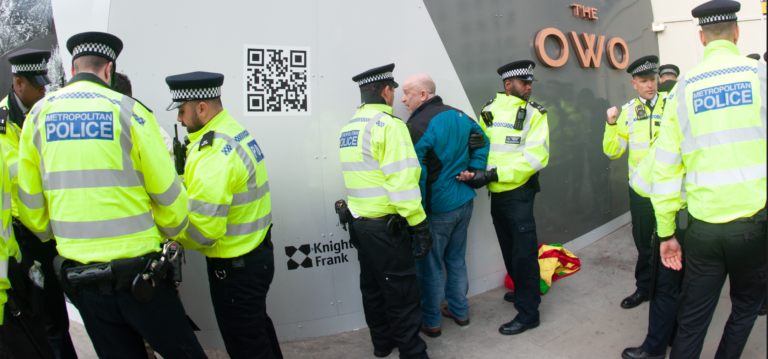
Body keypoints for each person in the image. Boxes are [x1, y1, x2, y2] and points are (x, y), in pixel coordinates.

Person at [16, 31, 205, 358]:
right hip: (138, 276)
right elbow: (171, 199)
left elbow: (30, 205)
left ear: (73, 70)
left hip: (80, 276)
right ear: (109, 70)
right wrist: (168, 231)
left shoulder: (37, 117)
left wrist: (54, 233)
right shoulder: (129, 112)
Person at [651, 1, 766, 357]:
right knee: (747, 305)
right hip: (753, 224)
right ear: (737, 32)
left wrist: (667, 231)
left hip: (702, 228)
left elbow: (665, 169)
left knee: (693, 316)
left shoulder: (681, 91)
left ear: (701, 37)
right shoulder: (760, 76)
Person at [166, 71, 282, 359]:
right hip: (254, 256)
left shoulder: (213, 152)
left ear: (201, 108)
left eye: (182, 111)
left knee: (247, 347)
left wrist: (169, 228)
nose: (180, 119)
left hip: (235, 270)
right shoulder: (231, 130)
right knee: (257, 332)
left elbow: (204, 232)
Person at [338, 63, 432, 359]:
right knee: (402, 293)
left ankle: (382, 344)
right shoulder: (390, 127)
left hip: (360, 225)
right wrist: (420, 226)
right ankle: (413, 353)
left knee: (374, 287)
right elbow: (402, 184)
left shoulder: (349, 127)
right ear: (387, 91)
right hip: (386, 229)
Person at [462, 60, 549, 335]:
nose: (530, 87)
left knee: (523, 254)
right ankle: (525, 290)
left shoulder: (535, 114)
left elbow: (536, 158)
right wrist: (475, 171)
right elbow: (482, 150)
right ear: (509, 85)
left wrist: (493, 175)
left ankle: (528, 313)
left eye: (530, 82)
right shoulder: (488, 110)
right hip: (496, 194)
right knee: (510, 248)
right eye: (525, 83)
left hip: (519, 193)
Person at [400, 74, 489, 338]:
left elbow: (416, 174)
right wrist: (474, 171)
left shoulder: (417, 125)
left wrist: (419, 216)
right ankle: (460, 311)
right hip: (463, 202)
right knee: (456, 260)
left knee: (431, 267)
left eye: (407, 93)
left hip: (437, 210)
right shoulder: (460, 115)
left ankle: (432, 321)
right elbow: (482, 140)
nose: (403, 99)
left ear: (424, 95)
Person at [2, 48, 75, 359]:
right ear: (19, 84)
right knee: (43, 315)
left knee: (55, 312)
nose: (44, 90)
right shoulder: (4, 126)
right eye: (37, 85)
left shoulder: (43, 115)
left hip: (48, 232)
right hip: (24, 238)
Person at [621, 98, 687, 359]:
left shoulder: (675, 125)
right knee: (691, 288)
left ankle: (655, 348)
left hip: (676, 221)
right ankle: (676, 337)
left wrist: (666, 231)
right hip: (713, 221)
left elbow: (644, 181)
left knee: (666, 286)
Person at [603, 55, 666, 310]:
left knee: (672, 240)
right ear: (634, 84)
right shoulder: (627, 112)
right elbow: (613, 151)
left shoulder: (672, 105)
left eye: (652, 79)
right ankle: (644, 289)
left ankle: (669, 289)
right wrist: (610, 123)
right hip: (641, 189)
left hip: (670, 188)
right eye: (644, 81)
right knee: (643, 242)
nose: (649, 85)